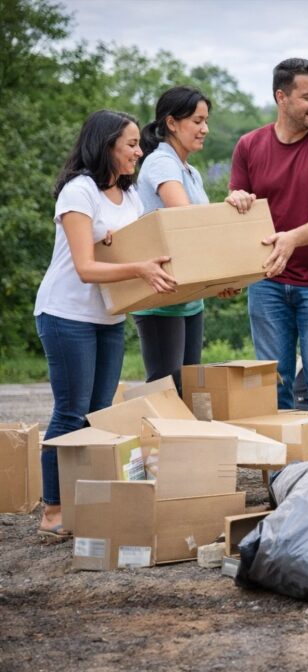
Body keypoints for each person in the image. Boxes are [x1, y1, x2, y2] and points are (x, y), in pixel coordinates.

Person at [34, 110, 177, 539]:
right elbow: (86, 268)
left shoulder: (129, 196)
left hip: (107, 317)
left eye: (138, 144)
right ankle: (53, 509)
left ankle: (87, 502)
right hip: (66, 314)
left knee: (98, 415)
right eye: (131, 144)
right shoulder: (79, 193)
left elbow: (140, 250)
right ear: (106, 145)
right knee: (71, 411)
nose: (139, 151)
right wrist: (140, 268)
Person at [229, 58, 308, 412]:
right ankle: (284, 467)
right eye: (307, 96)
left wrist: (291, 238)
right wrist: (236, 199)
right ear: (281, 98)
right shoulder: (249, 146)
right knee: (272, 382)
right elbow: (238, 209)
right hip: (267, 280)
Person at [134, 86, 256, 393]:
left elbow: (200, 237)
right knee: (166, 389)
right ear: (172, 123)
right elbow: (187, 222)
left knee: (188, 389)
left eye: (206, 121)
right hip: (163, 299)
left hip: (189, 299)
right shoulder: (161, 162)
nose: (205, 129)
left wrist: (222, 279)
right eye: (198, 121)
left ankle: (182, 442)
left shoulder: (191, 171)